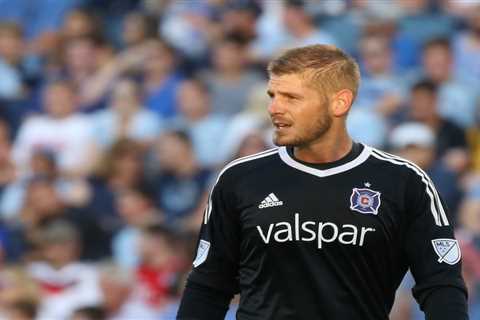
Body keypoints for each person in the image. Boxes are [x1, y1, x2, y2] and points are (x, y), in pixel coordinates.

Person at [177, 44, 468, 319]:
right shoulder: (239, 179)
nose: (274, 108)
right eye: (273, 95)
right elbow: (207, 286)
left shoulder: (404, 181)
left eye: (291, 97)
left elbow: (441, 285)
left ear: (339, 102)